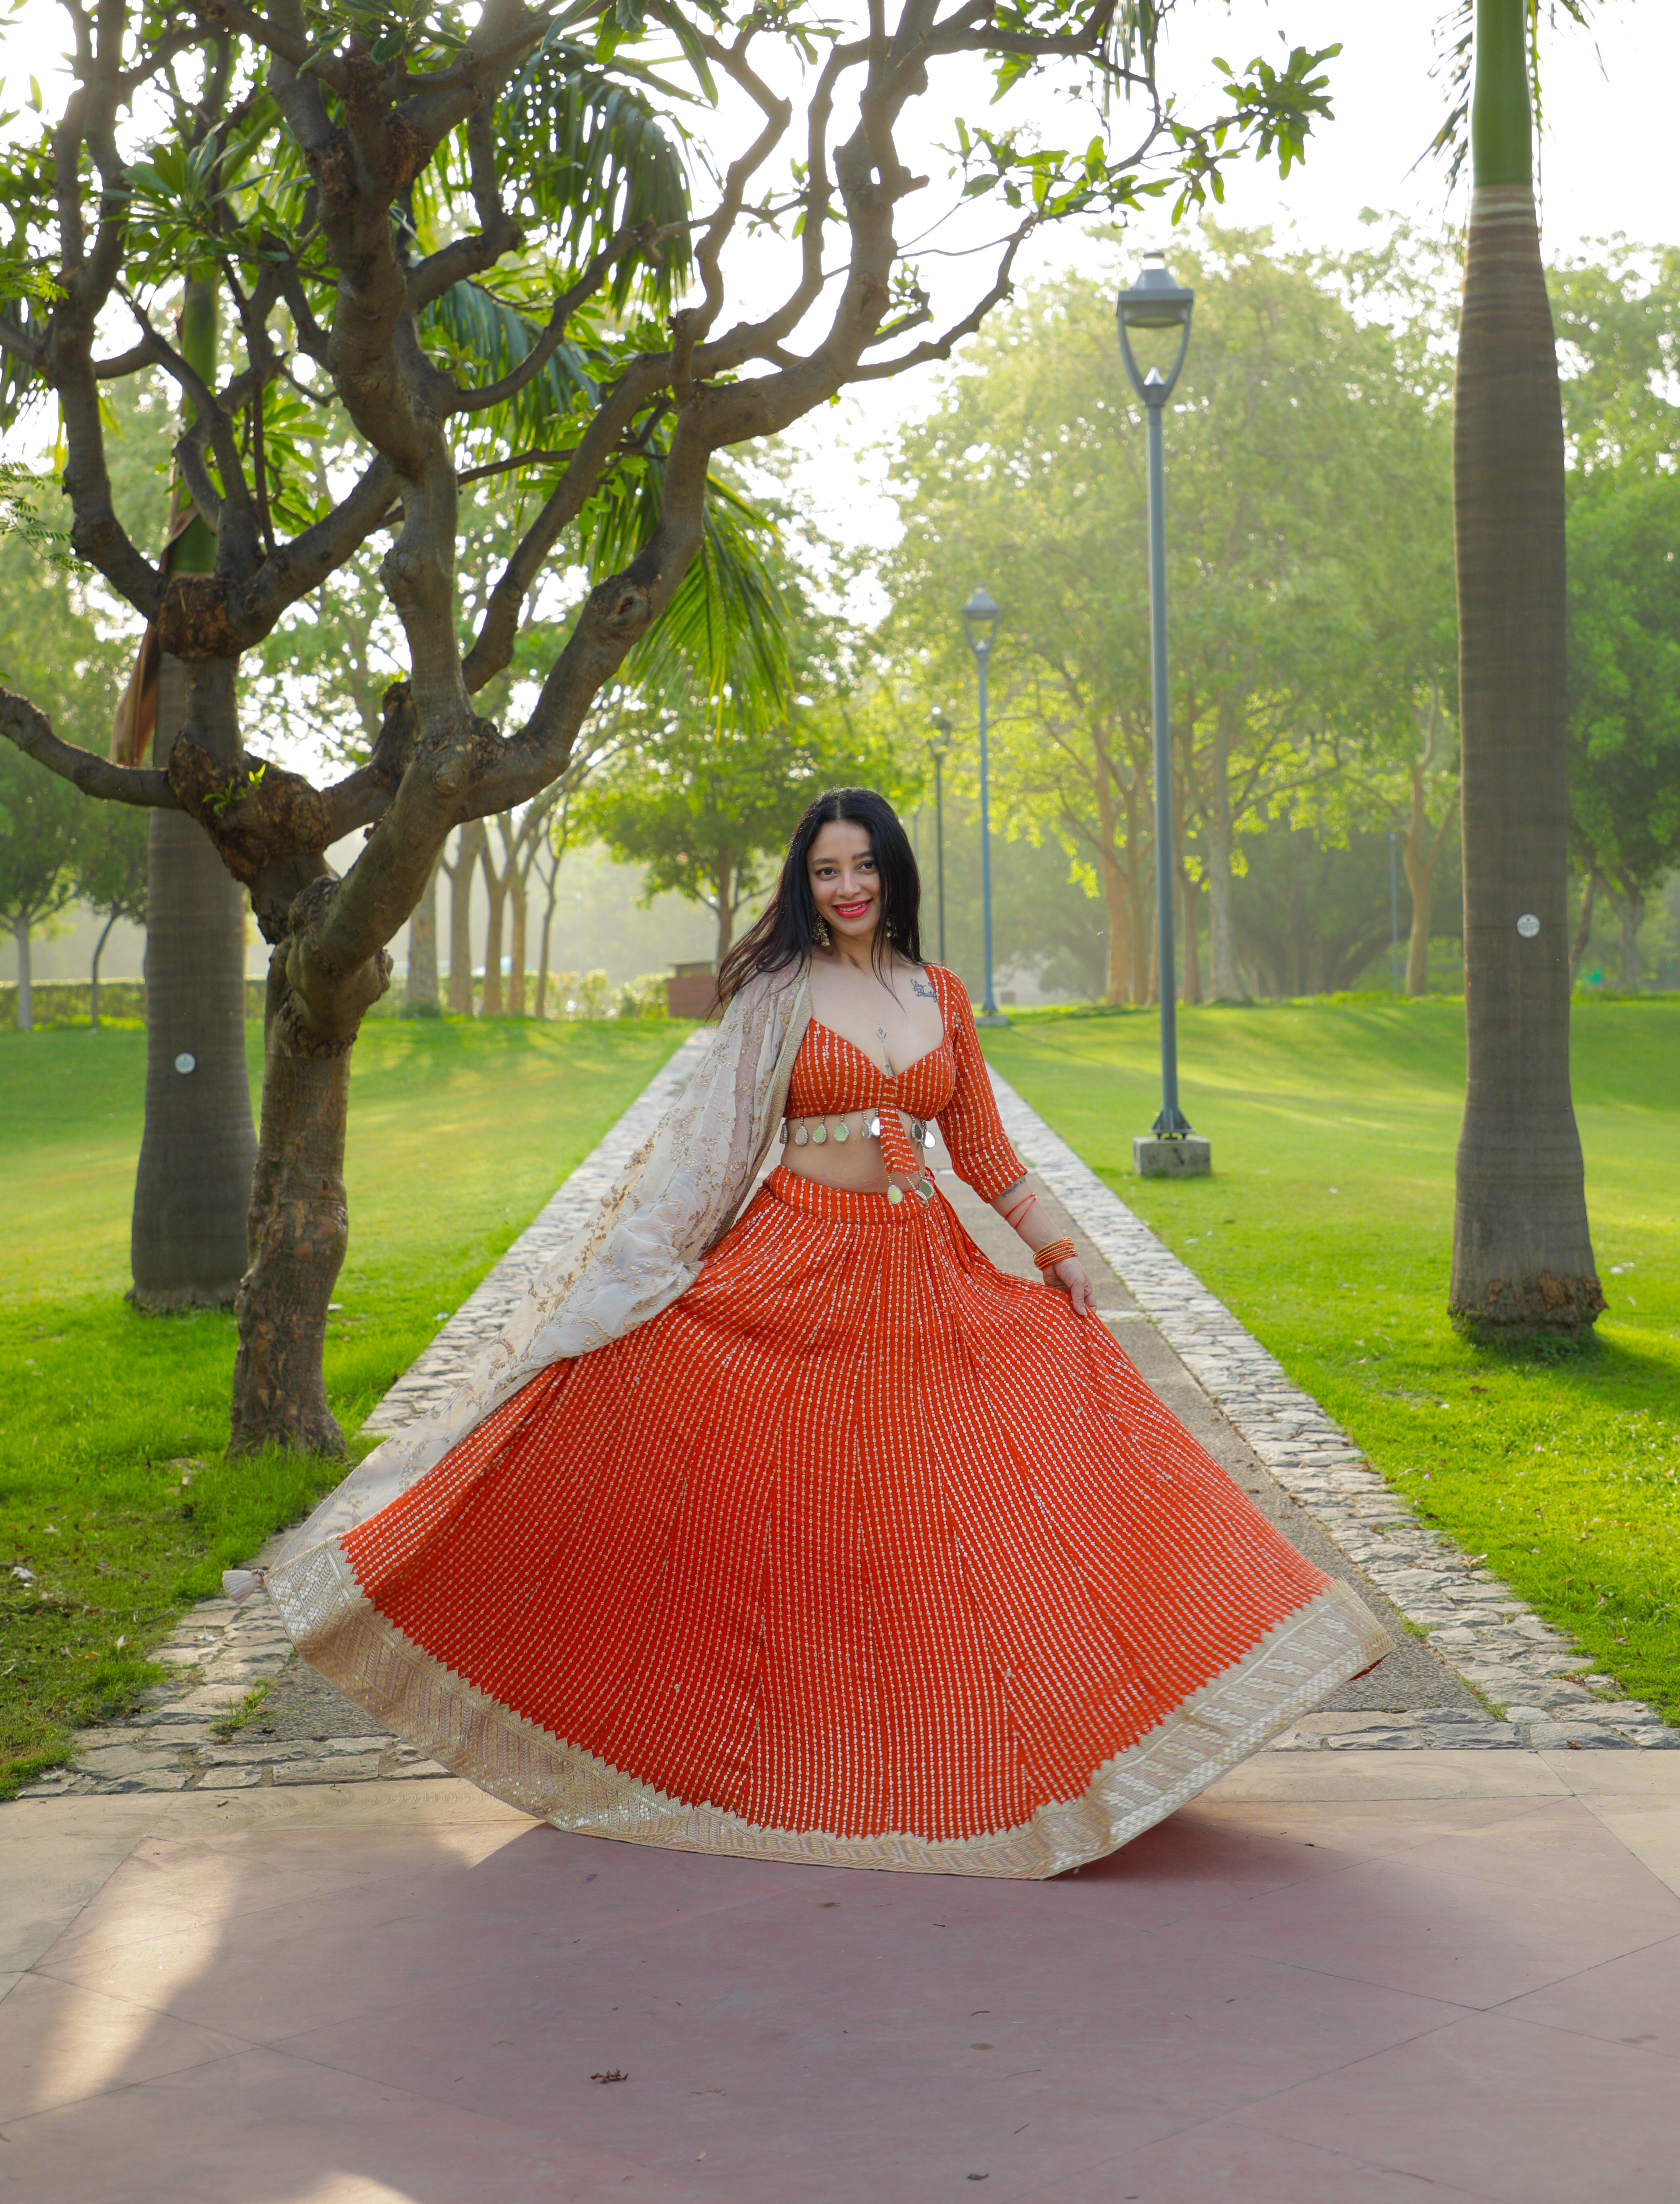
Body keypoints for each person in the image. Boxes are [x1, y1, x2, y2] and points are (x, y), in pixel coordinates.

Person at [264, 788, 1385, 1876]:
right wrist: (636, 1284)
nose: (847, 886)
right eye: (825, 870)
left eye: (862, 865)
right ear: (808, 886)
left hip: (927, 1274)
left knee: (959, 1496)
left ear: (894, 871)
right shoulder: (780, 995)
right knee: (788, 1507)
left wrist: (1060, 1254)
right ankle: (755, 1737)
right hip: (795, 1269)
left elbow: (985, 1153)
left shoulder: (941, 994)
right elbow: (710, 1156)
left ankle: (971, 1743)